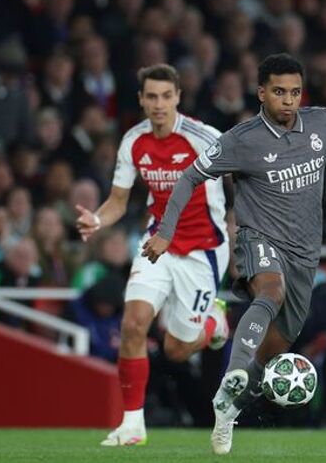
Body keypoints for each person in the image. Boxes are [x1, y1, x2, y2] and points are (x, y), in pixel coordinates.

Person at [142, 54, 326, 454]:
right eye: (279, 92)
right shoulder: (241, 140)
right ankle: (233, 372)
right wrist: (166, 232)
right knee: (271, 290)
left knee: (273, 352)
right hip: (258, 238)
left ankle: (228, 407)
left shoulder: (322, 123)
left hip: (304, 254)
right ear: (261, 93)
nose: (288, 100)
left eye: (295, 92)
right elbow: (189, 177)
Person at [74, 64, 230, 447]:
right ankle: (132, 425)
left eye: (166, 96)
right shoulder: (133, 141)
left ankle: (216, 323)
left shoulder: (204, 137)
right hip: (157, 242)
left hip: (203, 250)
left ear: (178, 98)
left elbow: (246, 174)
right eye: (152, 97)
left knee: (176, 350)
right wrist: (97, 219)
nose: (159, 104)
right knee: (133, 324)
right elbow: (118, 201)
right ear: (141, 100)